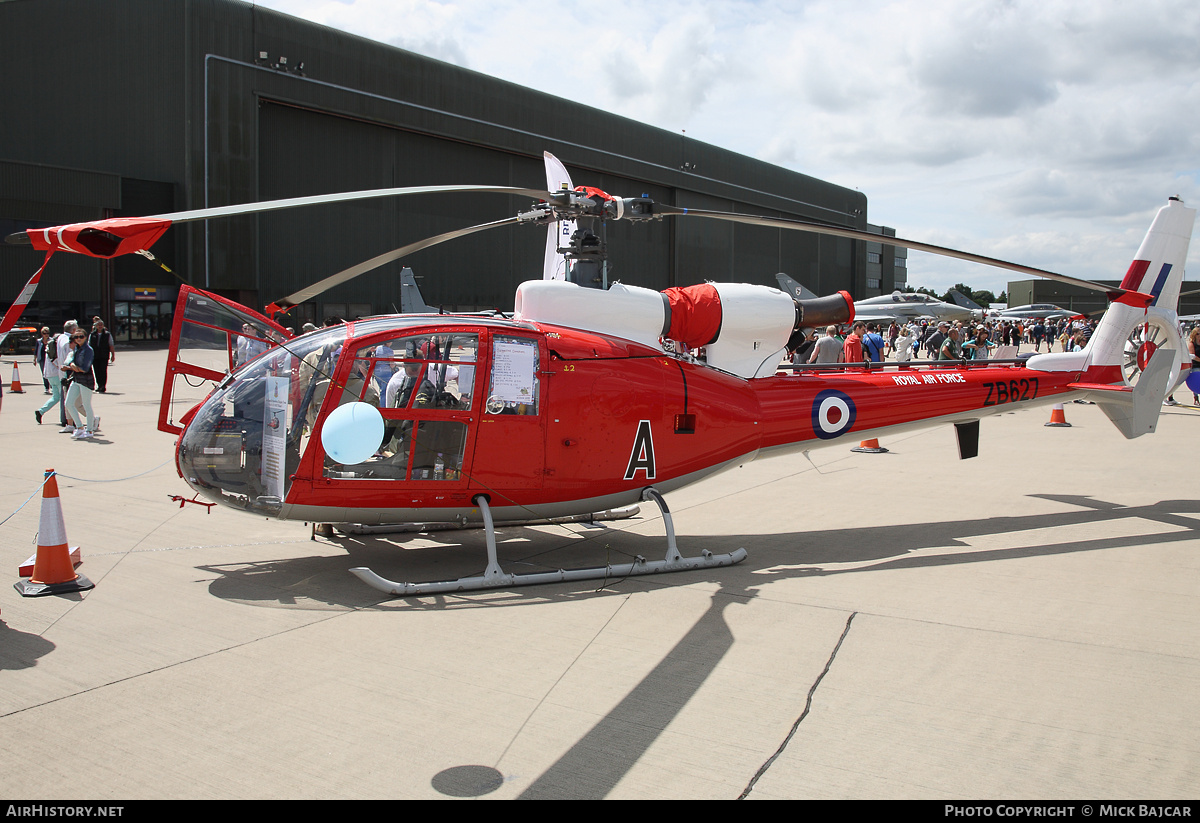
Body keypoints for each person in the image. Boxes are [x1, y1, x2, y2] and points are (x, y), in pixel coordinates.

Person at [62, 328, 98, 439]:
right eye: (76, 337)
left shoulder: (88, 350)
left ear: (86, 337)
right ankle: (80, 427)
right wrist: (71, 366)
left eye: (81, 337)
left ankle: (90, 430)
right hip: (76, 379)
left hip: (86, 380)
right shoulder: (77, 349)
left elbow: (83, 368)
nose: (78, 339)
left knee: (86, 405)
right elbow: (72, 363)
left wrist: (72, 365)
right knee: (68, 403)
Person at [89, 318, 116, 392]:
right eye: (98, 325)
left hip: (104, 356)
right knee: (96, 371)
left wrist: (112, 355)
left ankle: (103, 386)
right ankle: (99, 385)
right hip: (95, 356)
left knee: (103, 371)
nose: (100, 326)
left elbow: (111, 345)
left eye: (101, 325)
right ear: (96, 326)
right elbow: (89, 345)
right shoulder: (92, 334)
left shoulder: (107, 334)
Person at [33, 327, 52, 393]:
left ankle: (52, 387)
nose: (46, 335)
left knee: (50, 373)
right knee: (44, 374)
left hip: (49, 359)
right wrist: (34, 359)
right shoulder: (39, 341)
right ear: (42, 334)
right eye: (44, 333)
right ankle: (46, 388)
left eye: (47, 333)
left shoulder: (51, 341)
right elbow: (36, 351)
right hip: (42, 359)